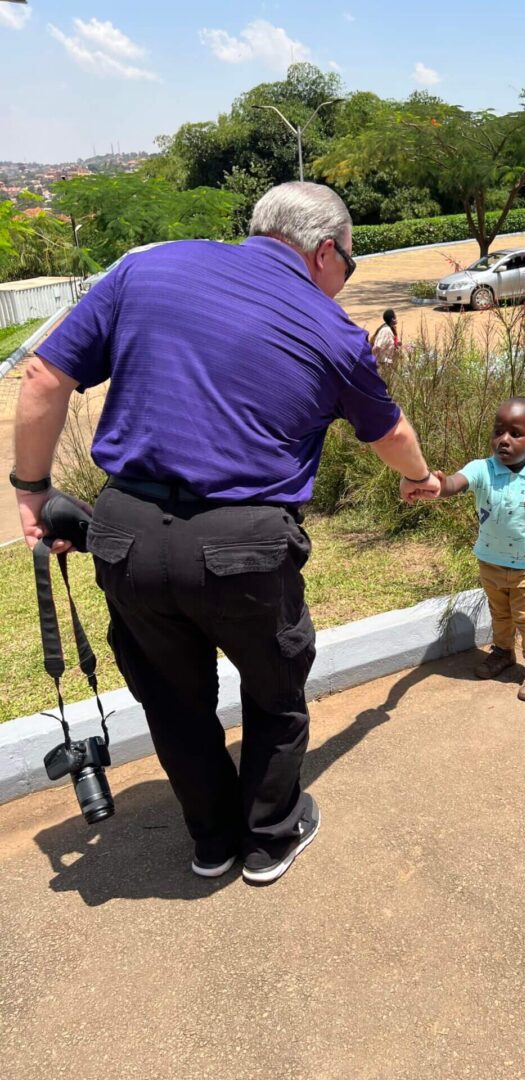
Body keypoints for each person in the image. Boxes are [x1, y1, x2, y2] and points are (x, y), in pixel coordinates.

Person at [12, 181, 440, 886]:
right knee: (273, 694)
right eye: (350, 265)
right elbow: (390, 432)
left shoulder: (145, 268)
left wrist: (32, 491)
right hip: (245, 546)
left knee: (173, 700)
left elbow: (43, 377)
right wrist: (418, 475)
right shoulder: (332, 331)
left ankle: (211, 842)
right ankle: (269, 839)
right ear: (325, 252)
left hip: (126, 535)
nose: (344, 281)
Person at [433, 397, 525, 703]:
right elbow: (457, 482)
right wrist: (441, 485)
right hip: (490, 563)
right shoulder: (482, 469)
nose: (503, 440)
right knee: (500, 614)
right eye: (498, 431)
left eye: (515, 434)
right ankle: (503, 652)